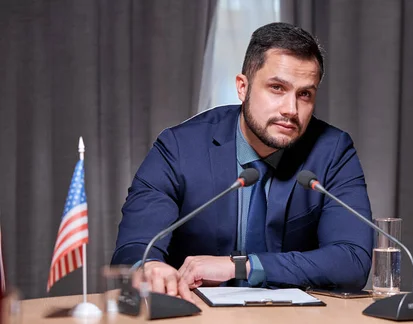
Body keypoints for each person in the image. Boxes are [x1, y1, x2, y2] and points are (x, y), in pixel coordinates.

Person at [111, 22, 373, 301]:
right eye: (276, 88)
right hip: (194, 317)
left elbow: (352, 260)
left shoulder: (332, 150)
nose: (291, 109)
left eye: (304, 94)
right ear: (242, 87)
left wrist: (241, 266)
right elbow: (136, 245)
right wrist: (149, 266)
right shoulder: (179, 148)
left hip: (297, 320)